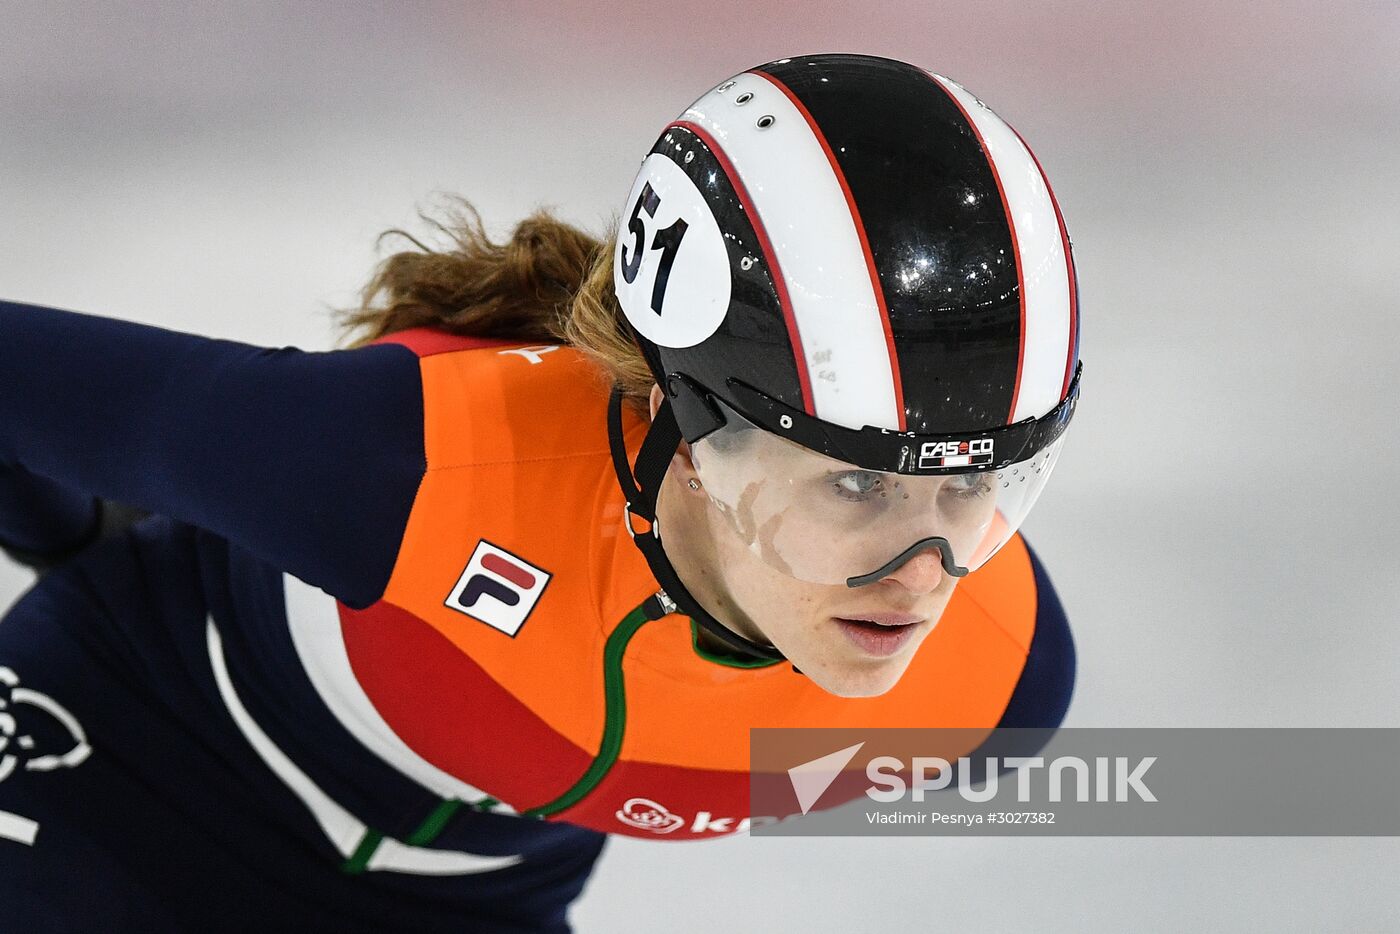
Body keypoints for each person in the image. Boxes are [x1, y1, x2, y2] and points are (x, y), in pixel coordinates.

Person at [0, 53, 1080, 932]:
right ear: (689, 431)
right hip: (130, 769)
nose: (922, 575)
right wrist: (70, 532)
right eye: (855, 481)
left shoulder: (996, 688)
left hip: (473, 899)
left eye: (980, 482)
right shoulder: (411, 465)